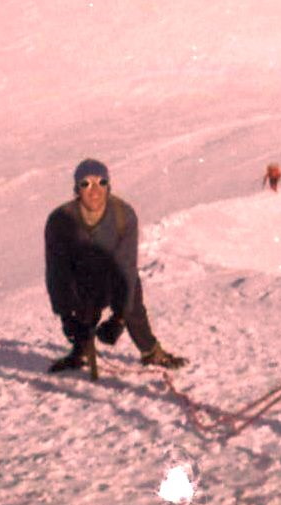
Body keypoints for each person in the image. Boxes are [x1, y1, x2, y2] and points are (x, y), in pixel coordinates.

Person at [44, 159, 188, 373]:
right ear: (76, 189)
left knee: (133, 304)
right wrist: (66, 316)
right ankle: (80, 349)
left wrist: (119, 318)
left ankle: (150, 351)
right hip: (81, 280)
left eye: (101, 182)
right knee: (83, 318)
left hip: (114, 278)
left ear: (109, 186)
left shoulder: (124, 215)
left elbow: (126, 269)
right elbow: (57, 272)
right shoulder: (60, 220)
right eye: (86, 184)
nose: (95, 190)